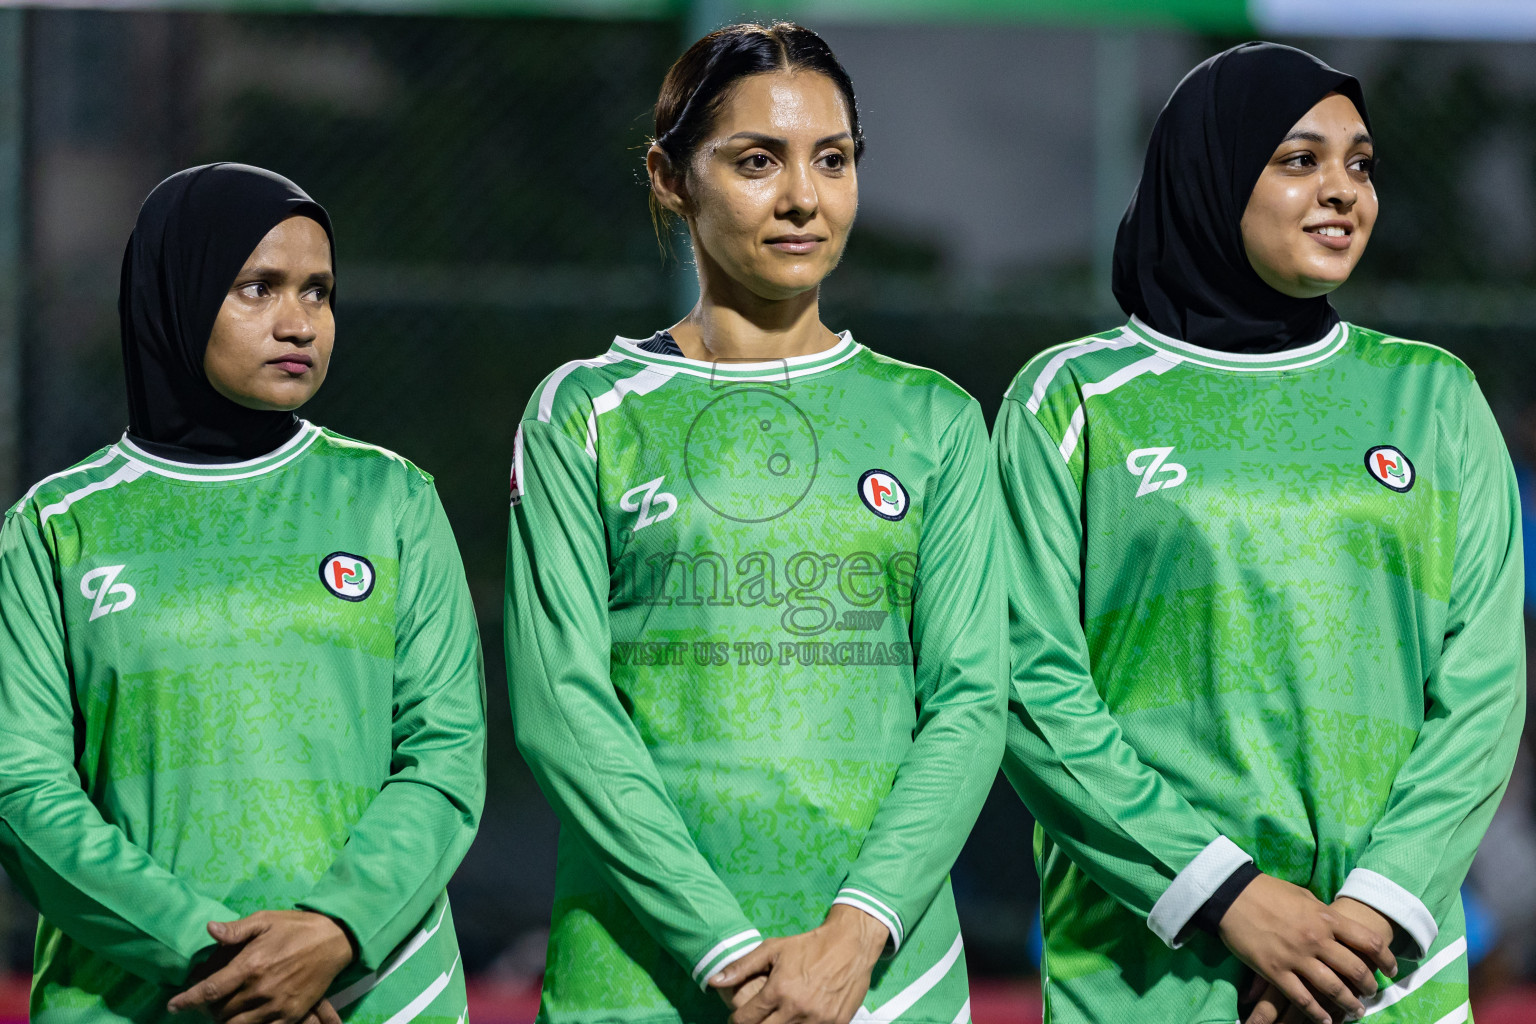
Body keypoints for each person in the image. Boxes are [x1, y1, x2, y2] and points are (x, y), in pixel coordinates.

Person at [996, 42, 1524, 1024]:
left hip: (1384, 974)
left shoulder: (1434, 397)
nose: (1342, 190)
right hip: (1149, 979)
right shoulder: (1071, 399)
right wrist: (1229, 899)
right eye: (1298, 160)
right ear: (1211, 173)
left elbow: (1483, 683)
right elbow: (1028, 682)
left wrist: (1365, 922)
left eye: (1360, 163)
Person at [504, 22, 1004, 1024]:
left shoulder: (936, 418)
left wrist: (855, 935)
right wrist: (727, 954)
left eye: (833, 159)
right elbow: (562, 709)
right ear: (670, 178)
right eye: (757, 161)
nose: (803, 197)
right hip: (642, 980)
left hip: (882, 980)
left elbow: (971, 702)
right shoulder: (583, 411)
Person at [0, 163, 486, 1024]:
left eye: (318, 291)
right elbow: (23, 792)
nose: (298, 322)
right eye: (257, 288)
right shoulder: (57, 525)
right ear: (177, 295)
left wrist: (335, 931)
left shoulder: (391, 498)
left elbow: (446, 756)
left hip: (374, 996)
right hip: (140, 998)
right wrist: (228, 962)